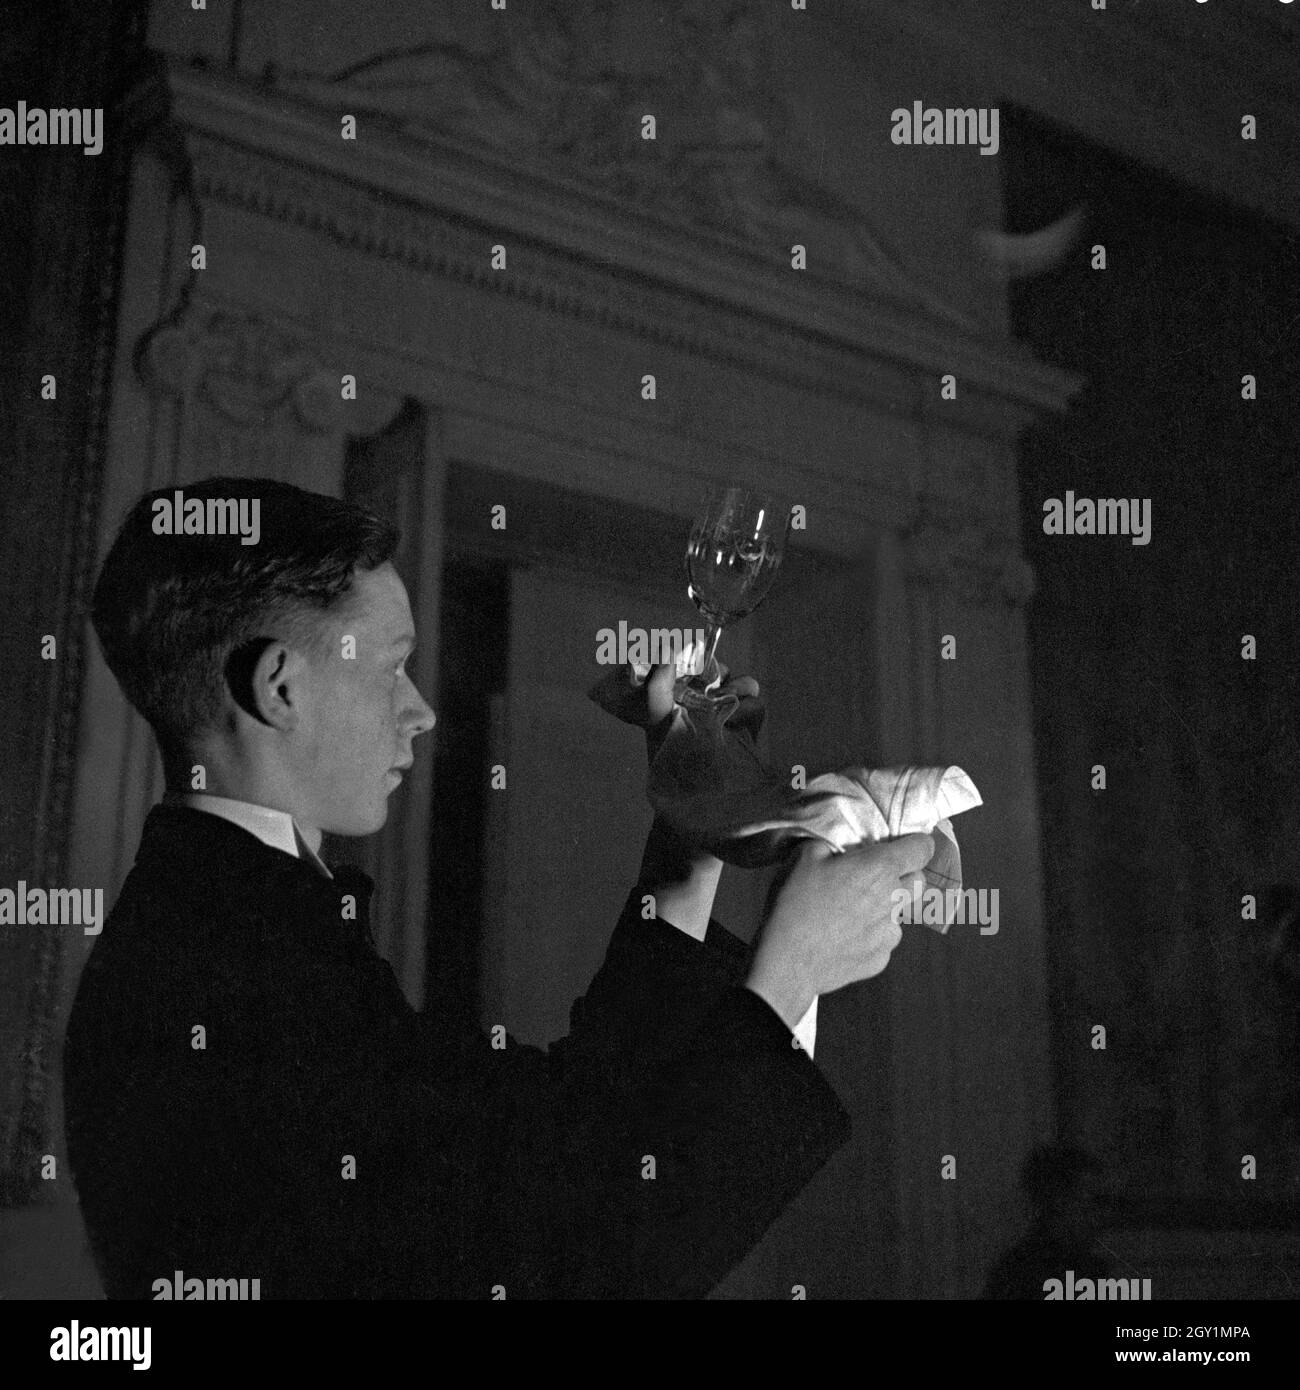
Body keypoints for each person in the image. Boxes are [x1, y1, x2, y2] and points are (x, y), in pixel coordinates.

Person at [64, 475, 932, 1299]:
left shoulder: (237, 912)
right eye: (390, 667)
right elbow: (560, 1261)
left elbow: (553, 1133)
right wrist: (789, 975)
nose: (420, 710)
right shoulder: (218, 965)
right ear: (279, 688)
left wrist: (689, 835)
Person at [982, 1143, 1114, 1299]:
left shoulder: (1012, 1269)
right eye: (1094, 1201)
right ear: (1060, 1202)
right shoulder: (1019, 1273)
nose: (1103, 1214)